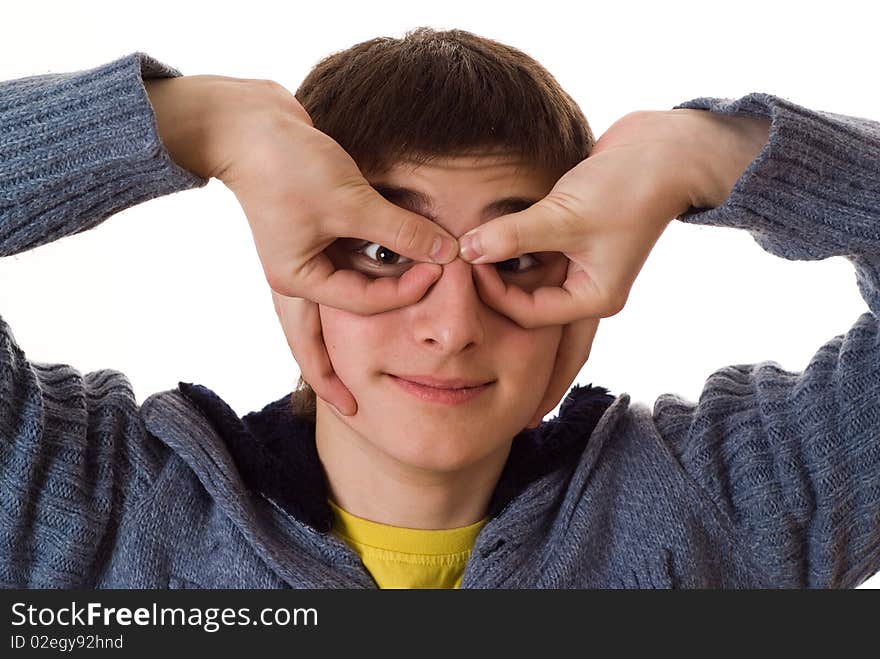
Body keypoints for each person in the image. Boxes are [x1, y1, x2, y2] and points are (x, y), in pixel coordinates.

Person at [0, 28, 877, 589]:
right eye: (384, 252)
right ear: (291, 265)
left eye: (520, 258)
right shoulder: (88, 510)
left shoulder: (727, 510)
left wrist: (706, 151)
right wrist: (198, 123)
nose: (453, 326)